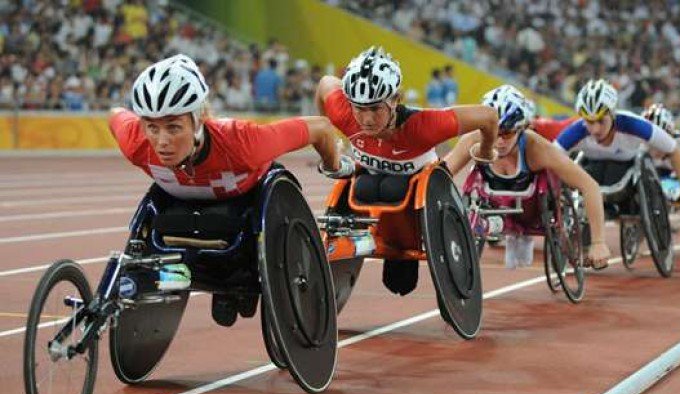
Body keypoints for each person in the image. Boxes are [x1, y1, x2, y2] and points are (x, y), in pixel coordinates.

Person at [109, 54, 352, 327]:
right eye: (152, 128)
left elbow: (320, 128)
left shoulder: (243, 142)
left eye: (174, 127)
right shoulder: (137, 142)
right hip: (182, 205)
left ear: (199, 120)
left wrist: (333, 165)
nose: (162, 141)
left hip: (246, 201)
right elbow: (115, 115)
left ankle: (236, 282)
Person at [315, 46, 498, 295]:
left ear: (395, 100)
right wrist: (329, 134)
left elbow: (489, 116)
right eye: (359, 108)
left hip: (417, 199)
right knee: (364, 187)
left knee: (392, 187)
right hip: (370, 189)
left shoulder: (424, 126)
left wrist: (486, 151)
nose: (367, 119)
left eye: (376, 108)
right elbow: (325, 84)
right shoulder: (345, 114)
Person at [444, 85, 610, 269]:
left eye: (507, 133)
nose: (499, 141)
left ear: (522, 128)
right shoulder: (472, 140)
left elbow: (589, 186)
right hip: (494, 208)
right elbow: (441, 173)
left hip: (532, 212)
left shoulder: (537, 148)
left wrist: (598, 243)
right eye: (493, 132)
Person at [554, 79, 680, 225]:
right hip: (592, 172)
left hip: (628, 174)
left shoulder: (633, 124)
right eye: (589, 122)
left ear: (612, 114)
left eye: (601, 121)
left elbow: (674, 150)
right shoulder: (577, 130)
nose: (595, 129)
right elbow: (551, 157)